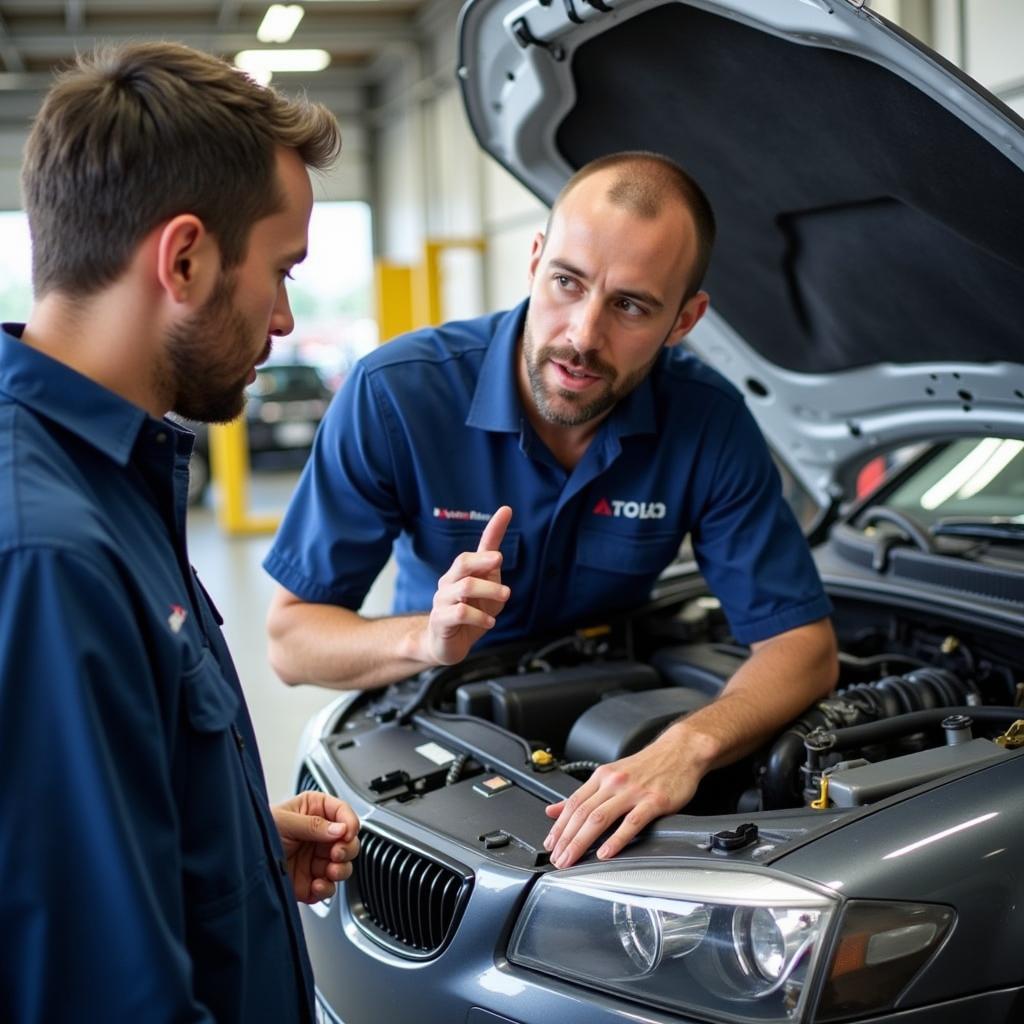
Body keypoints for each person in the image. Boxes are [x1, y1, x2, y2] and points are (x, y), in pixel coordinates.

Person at [264, 151, 838, 870]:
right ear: (535, 260)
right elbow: (291, 641)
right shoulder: (397, 395)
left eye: (631, 305)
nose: (582, 336)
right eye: (567, 283)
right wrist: (426, 640)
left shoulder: (710, 424)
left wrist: (684, 747)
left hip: (614, 718)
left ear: (685, 319)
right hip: (438, 712)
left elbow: (803, 649)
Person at [0, 43, 360, 1022]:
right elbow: (97, 993)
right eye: (280, 272)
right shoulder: (50, 550)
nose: (286, 318)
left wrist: (232, 845)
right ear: (186, 257)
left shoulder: (106, 480)